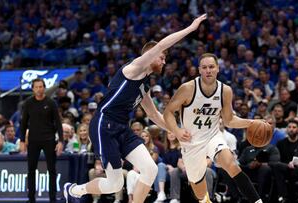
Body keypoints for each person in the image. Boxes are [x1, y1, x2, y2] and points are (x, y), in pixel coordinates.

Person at [64, 14, 207, 203]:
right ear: (151, 55)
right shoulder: (134, 68)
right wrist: (190, 28)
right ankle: (74, 190)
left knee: (151, 169)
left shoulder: (145, 83)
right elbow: (162, 45)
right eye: (162, 58)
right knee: (114, 184)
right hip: (103, 125)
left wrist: (177, 131)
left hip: (122, 128)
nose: (164, 62)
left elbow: (153, 114)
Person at [163, 53, 263, 203]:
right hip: (191, 142)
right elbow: (168, 112)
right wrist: (177, 131)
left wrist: (251, 123)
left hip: (212, 136)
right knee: (201, 194)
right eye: (204, 67)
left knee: (231, 164)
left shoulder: (225, 91)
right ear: (199, 70)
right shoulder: (188, 88)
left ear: (217, 69)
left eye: (211, 67)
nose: (208, 70)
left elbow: (229, 120)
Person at [20, 78, 63, 203]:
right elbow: (23, 123)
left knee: (52, 170)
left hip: (49, 139)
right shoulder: (28, 103)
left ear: (44, 87)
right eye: (36, 87)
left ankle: (52, 199)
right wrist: (22, 141)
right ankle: (31, 199)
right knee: (31, 170)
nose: (39, 89)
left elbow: (58, 123)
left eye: (41, 86)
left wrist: (61, 141)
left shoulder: (51, 103)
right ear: (33, 89)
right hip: (33, 140)